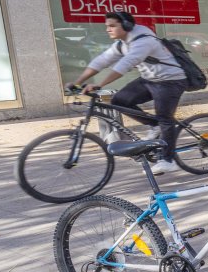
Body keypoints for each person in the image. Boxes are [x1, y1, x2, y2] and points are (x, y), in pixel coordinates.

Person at [69, 11, 188, 174]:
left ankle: (168, 160)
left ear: (126, 26)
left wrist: (100, 84)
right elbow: (102, 60)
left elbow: (124, 65)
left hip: (171, 81)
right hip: (150, 79)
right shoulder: (122, 43)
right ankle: (154, 126)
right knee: (119, 100)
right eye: (106, 26)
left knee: (165, 119)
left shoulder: (144, 41)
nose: (108, 30)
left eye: (112, 26)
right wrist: (78, 82)